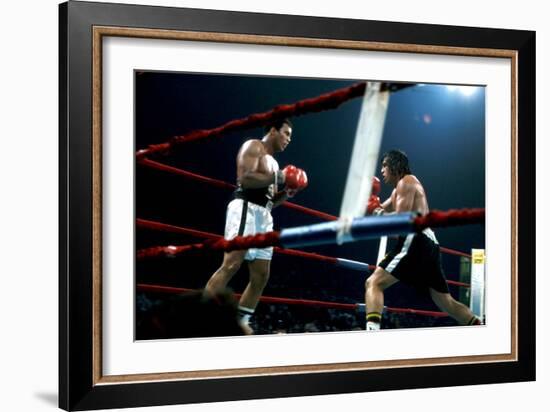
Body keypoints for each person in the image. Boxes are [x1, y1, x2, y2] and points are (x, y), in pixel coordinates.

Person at [204, 118, 308, 331]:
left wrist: (287, 193)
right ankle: (199, 315)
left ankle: (241, 324)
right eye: (286, 133)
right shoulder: (253, 147)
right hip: (245, 209)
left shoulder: (274, 162)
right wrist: (279, 177)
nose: (289, 139)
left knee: (261, 276)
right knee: (231, 264)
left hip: (263, 215)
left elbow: (269, 201)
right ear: (273, 130)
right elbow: (246, 179)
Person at [364, 149, 481, 330]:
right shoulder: (398, 190)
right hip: (428, 243)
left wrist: (376, 210)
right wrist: (369, 200)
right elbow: (378, 211)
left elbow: (400, 217)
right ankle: (479, 325)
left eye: (385, 165)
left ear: (395, 165)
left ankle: (371, 335)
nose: (382, 170)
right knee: (445, 302)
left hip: (415, 239)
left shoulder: (407, 182)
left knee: (374, 283)